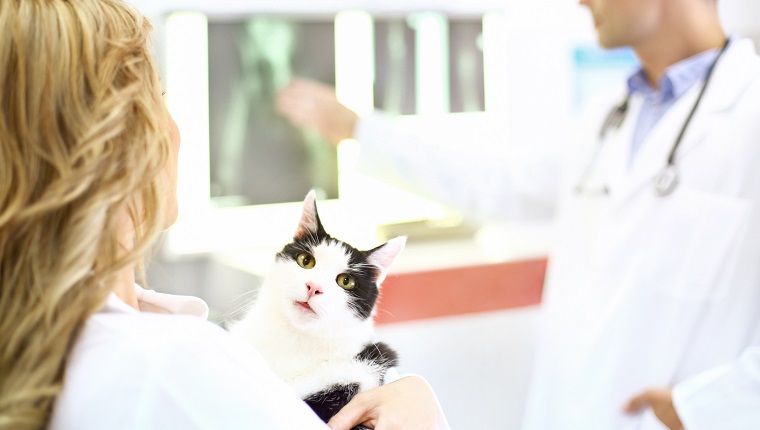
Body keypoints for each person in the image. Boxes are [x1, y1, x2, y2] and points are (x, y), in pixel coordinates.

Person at [275, 0, 760, 428]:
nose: (580, 1)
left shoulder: (749, 114)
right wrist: (360, 129)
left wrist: (711, 408)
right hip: (571, 408)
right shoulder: (607, 117)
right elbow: (498, 184)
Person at [0, 1, 448, 429]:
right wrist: (426, 418)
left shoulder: (47, 342)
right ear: (119, 146)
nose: (176, 129)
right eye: (159, 97)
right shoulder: (170, 367)